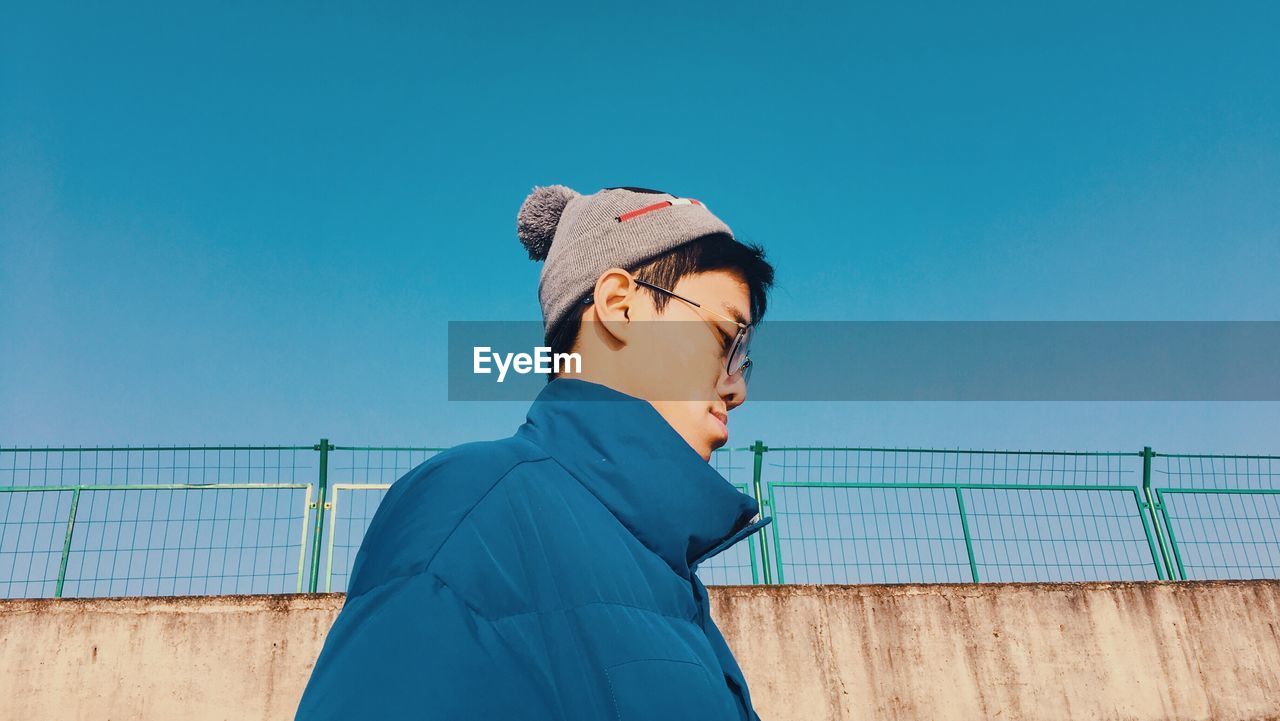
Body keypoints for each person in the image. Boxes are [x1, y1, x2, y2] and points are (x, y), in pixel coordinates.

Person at [294, 184, 776, 720]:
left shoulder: (675, 587)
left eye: (744, 358)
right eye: (726, 336)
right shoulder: (474, 512)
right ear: (620, 306)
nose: (737, 388)